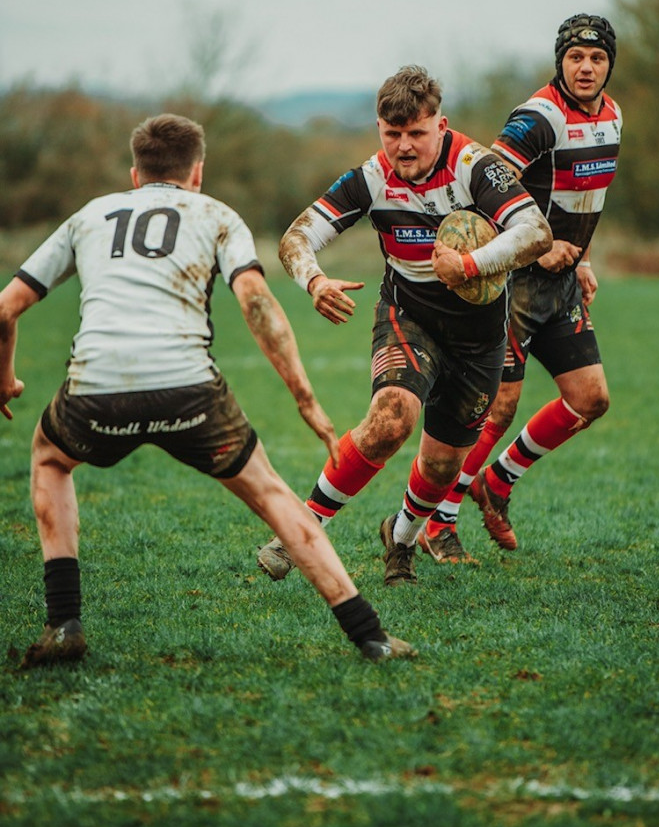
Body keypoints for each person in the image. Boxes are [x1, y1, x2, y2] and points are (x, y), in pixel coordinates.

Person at [0, 113, 415, 667]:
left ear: (134, 173)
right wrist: (306, 401)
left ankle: (63, 624)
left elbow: (5, 309)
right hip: (189, 394)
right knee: (272, 494)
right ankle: (371, 636)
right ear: (197, 172)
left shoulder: (89, 216)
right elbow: (256, 303)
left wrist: (5, 378)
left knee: (50, 459)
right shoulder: (217, 215)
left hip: (95, 389)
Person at [256, 65, 552, 586]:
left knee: (442, 466)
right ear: (379, 130)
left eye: (417, 132)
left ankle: (402, 539)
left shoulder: (474, 166)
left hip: (479, 338)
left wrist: (470, 265)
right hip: (408, 316)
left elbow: (536, 233)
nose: (404, 146)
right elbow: (296, 237)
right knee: (392, 417)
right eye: (393, 134)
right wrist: (315, 281)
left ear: (441, 124)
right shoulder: (371, 177)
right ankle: (301, 531)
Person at [418, 14, 622, 556]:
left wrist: (579, 258)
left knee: (590, 398)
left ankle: (499, 479)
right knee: (497, 407)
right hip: (517, 283)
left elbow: (585, 197)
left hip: (561, 285)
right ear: (560, 61)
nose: (585, 67)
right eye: (576, 57)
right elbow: (488, 178)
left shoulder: (613, 118)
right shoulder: (538, 117)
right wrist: (541, 242)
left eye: (597, 58)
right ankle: (440, 520)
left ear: (609, 66)